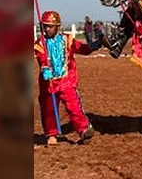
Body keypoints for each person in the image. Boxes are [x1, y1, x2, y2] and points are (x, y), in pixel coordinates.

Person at [34, 11, 98, 146]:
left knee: (74, 106)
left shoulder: (68, 40)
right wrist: (45, 68)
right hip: (49, 84)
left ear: (57, 26)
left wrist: (93, 45)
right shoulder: (40, 43)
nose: (46, 29)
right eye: (44, 26)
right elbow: (41, 58)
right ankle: (51, 134)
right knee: (49, 108)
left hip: (66, 81)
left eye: (50, 26)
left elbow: (82, 49)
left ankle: (83, 129)